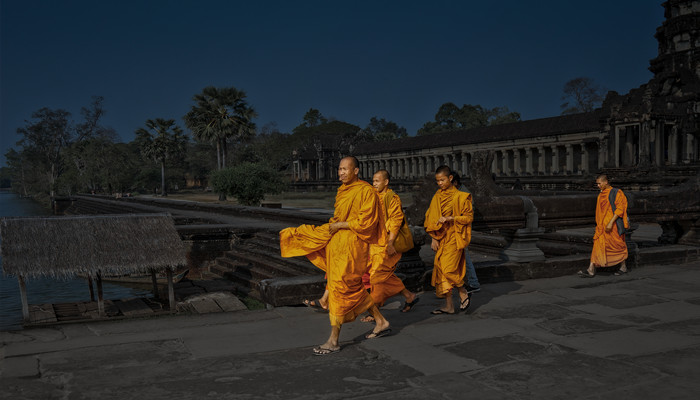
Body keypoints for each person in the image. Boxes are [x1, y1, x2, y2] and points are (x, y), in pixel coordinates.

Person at [279, 156, 391, 355]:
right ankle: (381, 321)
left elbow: (367, 223)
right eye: (339, 169)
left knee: (339, 287)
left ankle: (333, 340)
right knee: (352, 286)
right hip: (339, 243)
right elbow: (340, 217)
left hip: (354, 246)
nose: (341, 173)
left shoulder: (366, 191)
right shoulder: (342, 191)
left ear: (356, 171)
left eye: (345, 169)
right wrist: (332, 228)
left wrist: (339, 225)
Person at [362, 169, 420, 320]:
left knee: (377, 277)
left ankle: (375, 311)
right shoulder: (374, 197)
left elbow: (395, 221)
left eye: (377, 181)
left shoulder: (392, 198)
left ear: (386, 182)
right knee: (385, 276)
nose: (374, 183)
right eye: (373, 181)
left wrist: (390, 243)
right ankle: (409, 296)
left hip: (387, 244)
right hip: (374, 244)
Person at [424, 165, 474, 314]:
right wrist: (433, 238)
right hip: (441, 237)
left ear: (450, 178)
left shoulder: (461, 196)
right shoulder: (437, 197)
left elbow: (469, 218)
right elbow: (430, 218)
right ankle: (449, 306)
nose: (440, 183)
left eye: (442, 180)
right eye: (437, 181)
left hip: (455, 236)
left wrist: (452, 218)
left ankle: (463, 290)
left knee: (448, 269)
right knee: (441, 271)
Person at [579, 174, 630, 278]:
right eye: (597, 184)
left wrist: (611, 223)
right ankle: (591, 269)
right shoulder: (601, 195)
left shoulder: (616, 192)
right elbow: (600, 211)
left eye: (599, 183)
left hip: (613, 225)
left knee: (617, 246)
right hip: (602, 226)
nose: (598, 185)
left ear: (606, 182)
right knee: (598, 244)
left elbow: (620, 209)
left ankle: (623, 267)